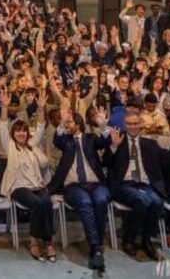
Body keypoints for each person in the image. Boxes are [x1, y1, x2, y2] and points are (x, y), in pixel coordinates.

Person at [104, 112, 170, 261]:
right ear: (125, 124)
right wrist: (113, 146)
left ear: (141, 124)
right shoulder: (118, 141)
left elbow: (169, 162)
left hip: (145, 184)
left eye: (135, 123)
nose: (132, 126)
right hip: (124, 184)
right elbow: (106, 163)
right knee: (141, 200)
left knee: (155, 201)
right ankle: (129, 239)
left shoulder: (150, 144)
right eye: (129, 123)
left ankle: (146, 241)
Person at [50, 105, 111, 273]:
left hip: (96, 184)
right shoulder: (66, 141)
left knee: (100, 200)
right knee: (85, 202)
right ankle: (96, 247)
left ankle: (95, 248)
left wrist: (103, 125)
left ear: (78, 124)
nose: (68, 125)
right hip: (73, 186)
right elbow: (56, 139)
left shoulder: (91, 138)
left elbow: (106, 141)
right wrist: (62, 122)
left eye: (70, 122)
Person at [0, 89, 56, 262]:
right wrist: (5, 107)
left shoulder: (32, 145)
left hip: (37, 185)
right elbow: (2, 125)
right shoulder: (10, 146)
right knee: (38, 203)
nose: (21, 133)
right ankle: (35, 241)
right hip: (18, 187)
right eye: (17, 131)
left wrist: (41, 108)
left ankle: (47, 241)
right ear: (13, 134)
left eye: (23, 131)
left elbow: (40, 127)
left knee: (46, 202)